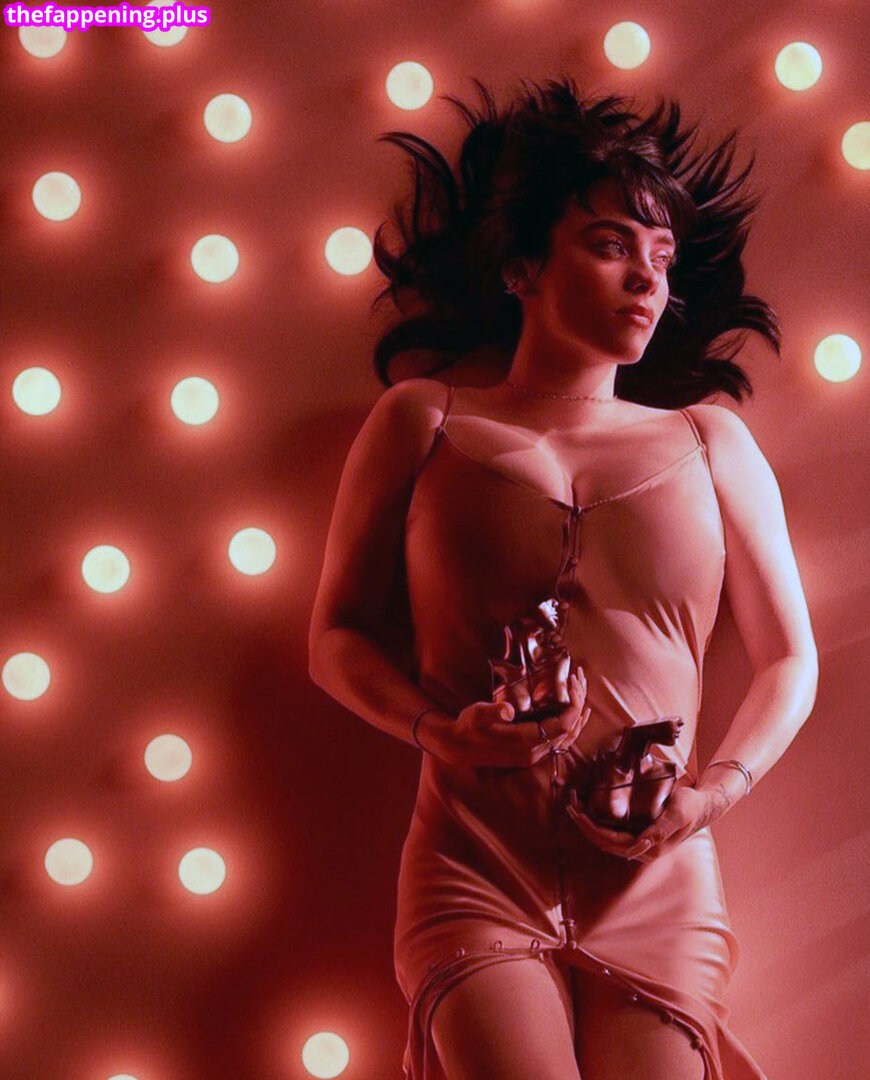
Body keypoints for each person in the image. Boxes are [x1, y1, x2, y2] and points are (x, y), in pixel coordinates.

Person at [308, 77, 818, 1080]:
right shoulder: (423, 421)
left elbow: (790, 658)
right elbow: (335, 638)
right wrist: (438, 730)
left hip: (656, 864)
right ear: (522, 265)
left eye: (661, 258)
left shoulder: (711, 442)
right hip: (472, 856)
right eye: (611, 245)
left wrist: (712, 795)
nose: (646, 281)